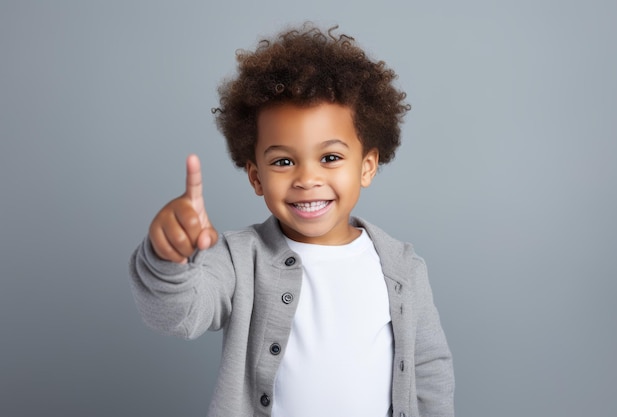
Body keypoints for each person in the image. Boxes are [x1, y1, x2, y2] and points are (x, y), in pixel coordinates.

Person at [129, 23, 454, 417]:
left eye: (330, 157)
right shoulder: (237, 258)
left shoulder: (404, 268)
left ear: (367, 166)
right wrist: (167, 258)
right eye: (283, 161)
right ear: (256, 177)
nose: (307, 179)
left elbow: (429, 368)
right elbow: (179, 315)